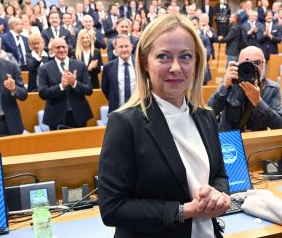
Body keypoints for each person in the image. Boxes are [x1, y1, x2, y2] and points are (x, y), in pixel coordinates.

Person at [98, 13, 230, 238]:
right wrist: (184, 211)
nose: (176, 68)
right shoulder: (125, 123)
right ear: (144, 62)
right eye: (163, 57)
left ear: (197, 62)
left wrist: (219, 196)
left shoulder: (205, 117)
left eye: (186, 56)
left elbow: (219, 176)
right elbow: (112, 208)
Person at [208, 46, 282, 131]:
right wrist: (224, 87)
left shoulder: (272, 88)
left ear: (264, 64)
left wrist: (258, 102)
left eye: (257, 63)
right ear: (238, 65)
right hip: (230, 140)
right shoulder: (230, 83)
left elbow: (279, 125)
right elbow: (208, 114)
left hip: (256, 140)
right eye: (246, 64)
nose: (252, 68)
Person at [38, 38, 93, 130]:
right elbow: (43, 93)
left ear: (67, 48)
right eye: (58, 47)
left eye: (64, 47)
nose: (61, 50)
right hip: (55, 117)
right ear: (51, 50)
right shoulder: (44, 69)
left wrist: (74, 83)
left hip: (79, 115)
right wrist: (61, 86)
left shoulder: (80, 65)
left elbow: (89, 90)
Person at [102, 34, 136, 113]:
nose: (124, 49)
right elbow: (105, 88)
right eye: (121, 47)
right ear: (116, 49)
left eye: (126, 46)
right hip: (116, 111)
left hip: (137, 111)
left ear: (131, 47)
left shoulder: (139, 65)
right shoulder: (108, 67)